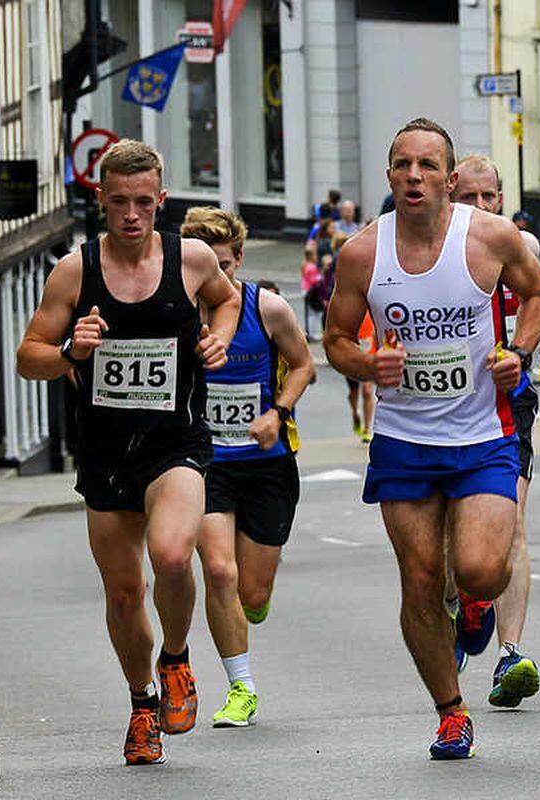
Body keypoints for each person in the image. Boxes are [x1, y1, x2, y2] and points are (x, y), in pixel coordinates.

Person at [323, 118, 540, 759]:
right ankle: (451, 712)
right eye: (402, 165)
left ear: (449, 179)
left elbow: (539, 292)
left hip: (483, 434)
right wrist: (368, 364)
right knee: (421, 582)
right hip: (403, 441)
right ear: (389, 175)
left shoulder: (490, 238)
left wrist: (519, 350)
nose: (414, 176)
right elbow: (336, 339)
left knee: (479, 570)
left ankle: (477, 604)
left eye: (427, 165)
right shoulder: (363, 253)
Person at [17, 139, 240, 765]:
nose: (133, 215)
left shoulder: (191, 258)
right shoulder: (74, 270)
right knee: (122, 593)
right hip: (106, 450)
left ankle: (176, 661)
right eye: (119, 202)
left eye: (145, 202)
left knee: (173, 556)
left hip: (176, 441)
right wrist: (70, 353)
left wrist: (218, 340)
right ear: (101, 200)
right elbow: (28, 355)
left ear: (162, 201)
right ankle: (142, 702)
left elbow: (227, 300)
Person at [180, 206, 314, 728]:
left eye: (225, 266)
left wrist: (277, 413)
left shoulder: (270, 308)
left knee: (252, 594)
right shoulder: (180, 313)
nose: (216, 278)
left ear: (238, 260)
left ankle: (249, 608)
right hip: (204, 462)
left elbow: (304, 365)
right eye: (205, 268)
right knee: (219, 571)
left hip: (267, 462)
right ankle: (242, 688)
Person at [447, 152, 540, 709]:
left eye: (488, 197)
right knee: (454, 542)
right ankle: (460, 607)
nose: (480, 208)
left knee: (512, 524)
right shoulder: (422, 251)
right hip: (442, 409)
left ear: (502, 198)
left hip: (507, 403)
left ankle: (509, 654)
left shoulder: (520, 249)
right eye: (467, 198)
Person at [345, 312, 377, 442]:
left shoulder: (373, 306)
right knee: (353, 391)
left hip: (369, 353)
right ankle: (355, 413)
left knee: (367, 391)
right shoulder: (351, 307)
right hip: (352, 355)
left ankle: (366, 429)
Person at [301, 242, 323, 340]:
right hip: (310, 292)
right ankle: (311, 333)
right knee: (313, 314)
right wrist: (321, 277)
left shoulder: (306, 265)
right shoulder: (311, 267)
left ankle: (311, 332)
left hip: (306, 290)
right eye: (315, 255)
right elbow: (313, 280)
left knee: (311, 313)